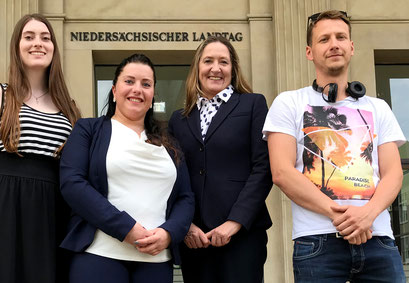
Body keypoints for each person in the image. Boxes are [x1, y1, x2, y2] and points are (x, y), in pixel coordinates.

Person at [263, 10, 407, 282]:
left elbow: (394, 173)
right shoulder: (289, 102)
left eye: (341, 37)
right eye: (324, 39)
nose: (334, 44)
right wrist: (342, 216)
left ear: (351, 47)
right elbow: (281, 172)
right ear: (309, 51)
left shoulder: (378, 108)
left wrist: (367, 216)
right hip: (316, 243)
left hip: (378, 240)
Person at [0, 13, 81, 283]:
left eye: (45, 38)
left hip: (52, 216)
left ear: (53, 49)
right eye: (29, 37)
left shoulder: (70, 109)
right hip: (1, 210)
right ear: (17, 46)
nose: (38, 43)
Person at [59, 53, 194, 283]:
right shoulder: (88, 130)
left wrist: (169, 233)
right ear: (113, 90)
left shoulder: (169, 142)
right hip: (99, 256)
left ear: (152, 95)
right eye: (129, 81)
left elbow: (185, 197)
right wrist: (127, 228)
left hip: (156, 262)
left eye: (146, 84)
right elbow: (73, 183)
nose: (137, 89)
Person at [168, 36, 272, 283]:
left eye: (223, 62)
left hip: (242, 236)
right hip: (195, 240)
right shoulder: (178, 119)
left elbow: (264, 167)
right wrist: (186, 225)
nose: (216, 68)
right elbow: (173, 176)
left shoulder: (253, 104)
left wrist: (234, 223)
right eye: (208, 61)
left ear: (233, 69)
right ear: (197, 68)